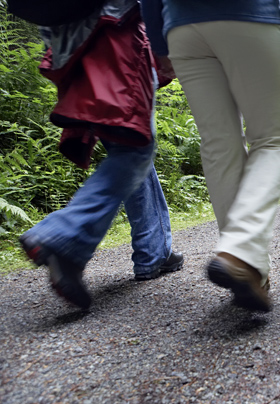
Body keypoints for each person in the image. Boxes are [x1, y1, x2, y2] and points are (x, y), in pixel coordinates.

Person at [140, 0, 280, 312]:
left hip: (182, 28)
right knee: (273, 139)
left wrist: (158, 43)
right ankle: (239, 251)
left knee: (218, 145)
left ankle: (249, 271)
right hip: (251, 17)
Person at [19, 0, 183, 310]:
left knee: (128, 144)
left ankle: (154, 251)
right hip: (116, 30)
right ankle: (63, 235)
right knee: (134, 146)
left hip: (70, 41)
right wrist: (164, 43)